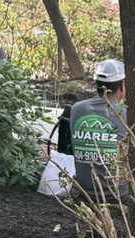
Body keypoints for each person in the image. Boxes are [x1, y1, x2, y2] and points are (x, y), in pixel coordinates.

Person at [54, 59, 128, 203]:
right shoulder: (126, 114)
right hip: (118, 195)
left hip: (84, 192)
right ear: (122, 85)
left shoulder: (77, 109)